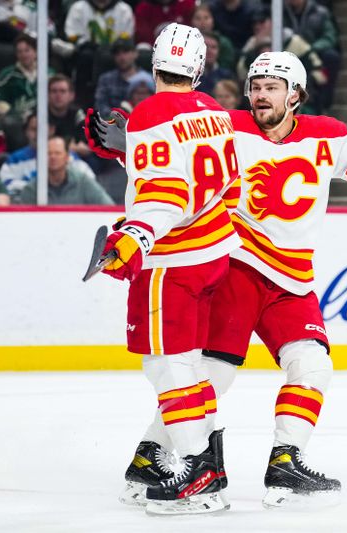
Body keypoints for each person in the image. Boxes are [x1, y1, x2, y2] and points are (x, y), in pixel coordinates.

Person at [88, 50, 347, 508]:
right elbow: (172, 166)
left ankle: (286, 463)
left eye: (271, 88)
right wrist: (126, 147)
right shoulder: (224, 124)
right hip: (238, 264)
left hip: (293, 280)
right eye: (255, 86)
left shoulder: (328, 135)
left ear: (295, 95)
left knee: (314, 366)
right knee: (212, 376)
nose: (259, 95)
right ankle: (150, 456)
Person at [84, 23, 240, 514]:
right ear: (198, 67)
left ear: (154, 64)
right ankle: (168, 460)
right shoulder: (215, 112)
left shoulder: (149, 113)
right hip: (214, 257)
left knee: (167, 365)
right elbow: (215, 182)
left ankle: (202, 476)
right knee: (189, 364)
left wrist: (133, 238)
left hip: (170, 262)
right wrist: (127, 149)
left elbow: (164, 193)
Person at [20, 135, 112, 205]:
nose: (53, 157)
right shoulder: (32, 188)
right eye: (49, 153)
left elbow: (108, 208)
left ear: (67, 157)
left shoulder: (83, 181)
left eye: (57, 153)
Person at [94, 36, 155, 116]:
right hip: (114, 124)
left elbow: (156, 105)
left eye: (126, 51)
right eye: (117, 53)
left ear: (135, 53)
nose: (122, 57)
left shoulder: (149, 79)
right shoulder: (106, 79)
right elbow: (100, 106)